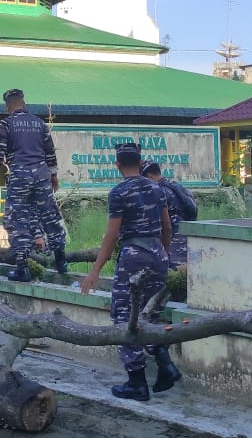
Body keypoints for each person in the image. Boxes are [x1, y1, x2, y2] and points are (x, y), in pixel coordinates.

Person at [80, 143, 180, 401]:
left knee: (125, 319)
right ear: (141, 161)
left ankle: (136, 382)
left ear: (117, 165)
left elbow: (112, 235)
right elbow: (167, 228)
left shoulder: (119, 193)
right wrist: (164, 255)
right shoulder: (158, 189)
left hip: (134, 257)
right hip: (158, 254)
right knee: (151, 314)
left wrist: (94, 270)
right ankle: (165, 364)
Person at [0, 88, 68, 281]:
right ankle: (61, 261)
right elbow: (50, 152)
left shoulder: (6, 124)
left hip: (20, 174)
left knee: (17, 218)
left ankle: (22, 268)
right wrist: (53, 176)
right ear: (24, 102)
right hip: (41, 173)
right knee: (49, 215)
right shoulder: (39, 123)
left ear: (8, 106)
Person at [139, 161, 197, 269]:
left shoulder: (158, 192)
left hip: (173, 245)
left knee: (173, 277)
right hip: (191, 242)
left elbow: (156, 224)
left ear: (148, 176)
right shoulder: (178, 187)